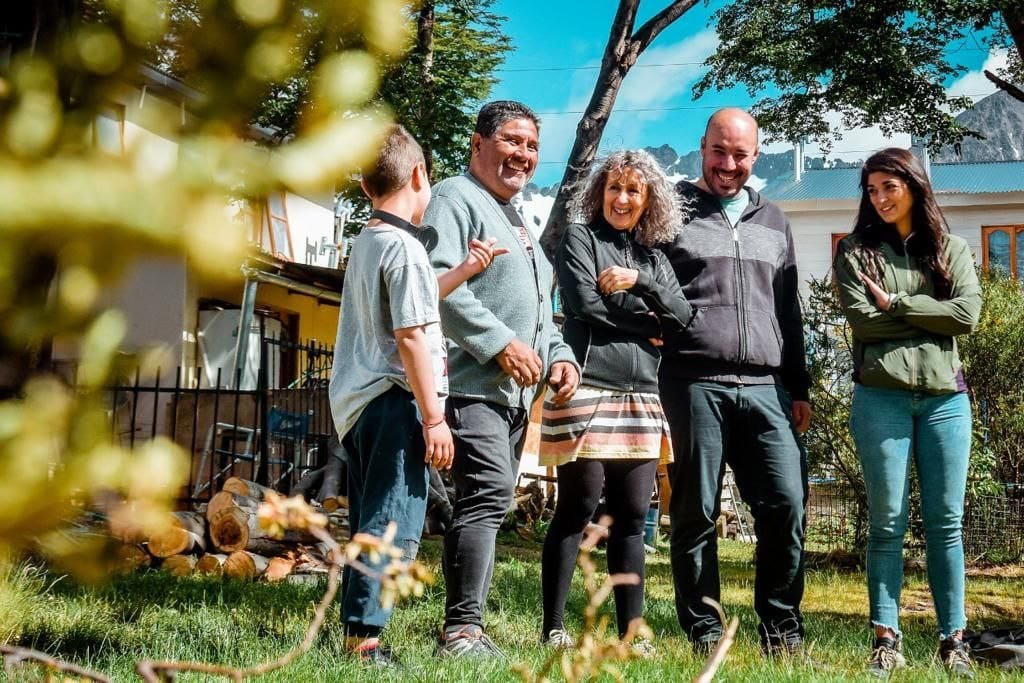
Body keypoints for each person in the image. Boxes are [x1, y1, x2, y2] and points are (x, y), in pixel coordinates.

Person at [329, 124, 506, 665]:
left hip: (357, 406)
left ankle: (357, 633)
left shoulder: (370, 240)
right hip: (392, 401)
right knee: (391, 521)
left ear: (364, 188)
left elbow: (420, 298)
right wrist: (434, 419)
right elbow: (411, 333)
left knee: (368, 517)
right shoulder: (404, 248)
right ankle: (366, 644)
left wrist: (468, 270)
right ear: (418, 174)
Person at [424, 100, 581, 658]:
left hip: (515, 392)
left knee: (480, 502)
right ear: (478, 143)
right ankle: (463, 632)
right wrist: (499, 344)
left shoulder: (515, 217)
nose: (524, 155)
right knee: (487, 495)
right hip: (471, 384)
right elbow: (438, 285)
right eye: (513, 141)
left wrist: (560, 355)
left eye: (533, 146)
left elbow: (539, 312)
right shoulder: (453, 197)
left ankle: (462, 626)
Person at [658, 107, 812, 656]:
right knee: (696, 509)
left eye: (740, 155)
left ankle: (782, 628)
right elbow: (644, 283)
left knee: (787, 503)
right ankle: (704, 629)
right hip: (693, 379)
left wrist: (799, 386)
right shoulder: (670, 211)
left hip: (767, 386)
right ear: (702, 146)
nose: (728, 164)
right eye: (719, 151)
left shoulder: (775, 220)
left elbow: (787, 308)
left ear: (755, 154)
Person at [833, 148, 981, 677]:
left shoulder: (954, 248)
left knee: (946, 524)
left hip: (947, 402)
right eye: (871, 189)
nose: (878, 198)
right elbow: (862, 324)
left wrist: (895, 305)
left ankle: (954, 639)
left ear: (914, 186)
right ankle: (885, 637)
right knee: (887, 523)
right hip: (881, 398)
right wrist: (928, 318)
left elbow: (965, 316)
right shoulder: (855, 251)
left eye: (888, 186)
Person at [537, 150, 690, 655]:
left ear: (648, 201)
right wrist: (649, 325)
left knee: (631, 516)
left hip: (643, 397)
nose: (622, 199)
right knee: (578, 507)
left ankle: (632, 632)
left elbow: (684, 318)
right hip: (587, 387)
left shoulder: (654, 258)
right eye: (614, 189)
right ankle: (554, 626)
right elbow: (583, 306)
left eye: (633, 191)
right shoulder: (580, 238)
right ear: (599, 192)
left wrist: (640, 283)